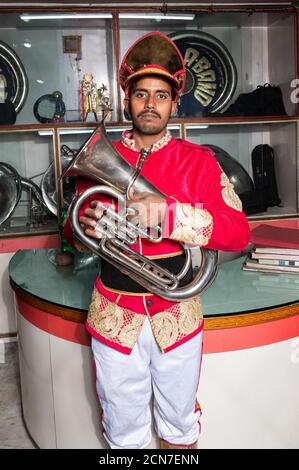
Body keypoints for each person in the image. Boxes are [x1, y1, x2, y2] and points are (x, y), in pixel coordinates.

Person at [64, 31, 250, 450]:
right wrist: (87, 231)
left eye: (161, 95)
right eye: (142, 94)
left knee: (180, 428)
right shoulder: (99, 157)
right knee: (122, 432)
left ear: (174, 103)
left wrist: (169, 216)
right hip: (115, 315)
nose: (150, 104)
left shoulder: (200, 162)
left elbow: (238, 232)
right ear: (127, 100)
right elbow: (71, 236)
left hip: (177, 314)